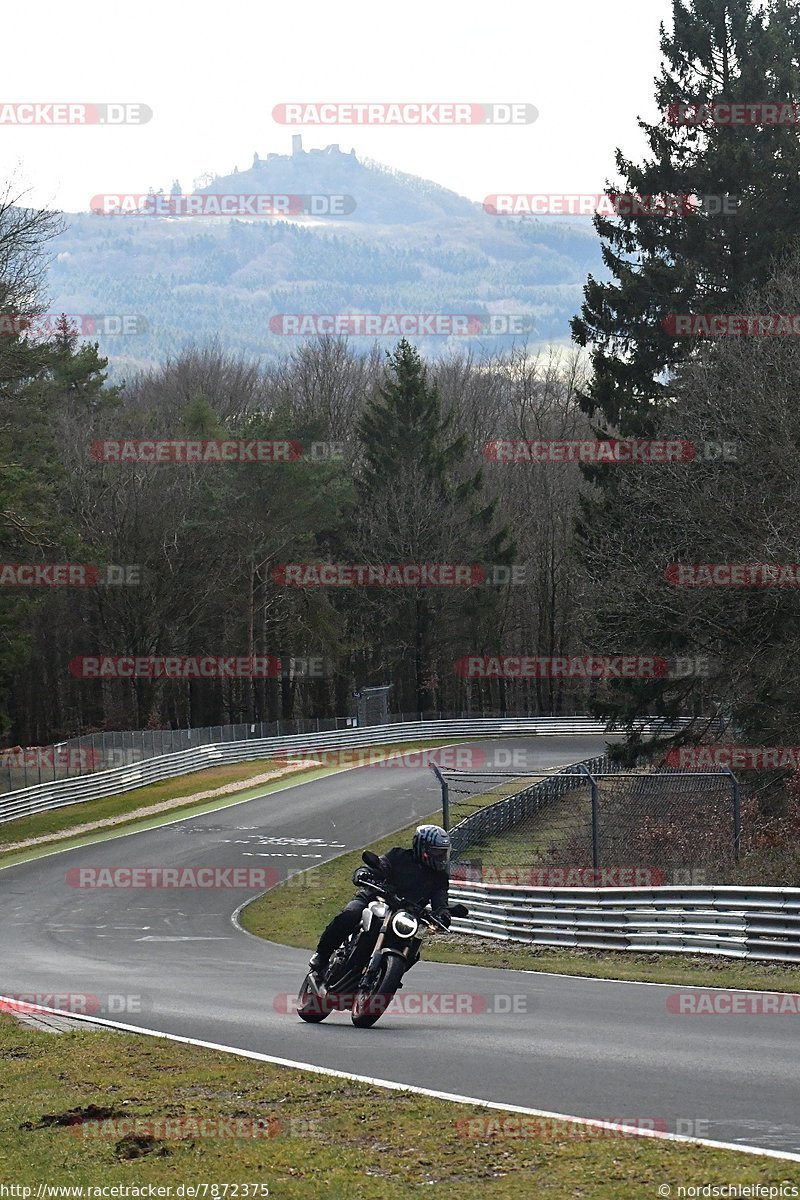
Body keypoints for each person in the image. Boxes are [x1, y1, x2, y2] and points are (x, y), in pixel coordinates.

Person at [308, 824, 452, 978]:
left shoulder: (440, 877)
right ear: (422, 848)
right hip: (376, 898)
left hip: (405, 915)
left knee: (413, 948)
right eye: (436, 852)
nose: (440, 857)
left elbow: (440, 899)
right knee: (350, 915)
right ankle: (322, 955)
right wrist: (364, 873)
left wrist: (443, 913)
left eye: (443, 853)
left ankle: (385, 977)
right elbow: (381, 865)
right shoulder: (398, 855)